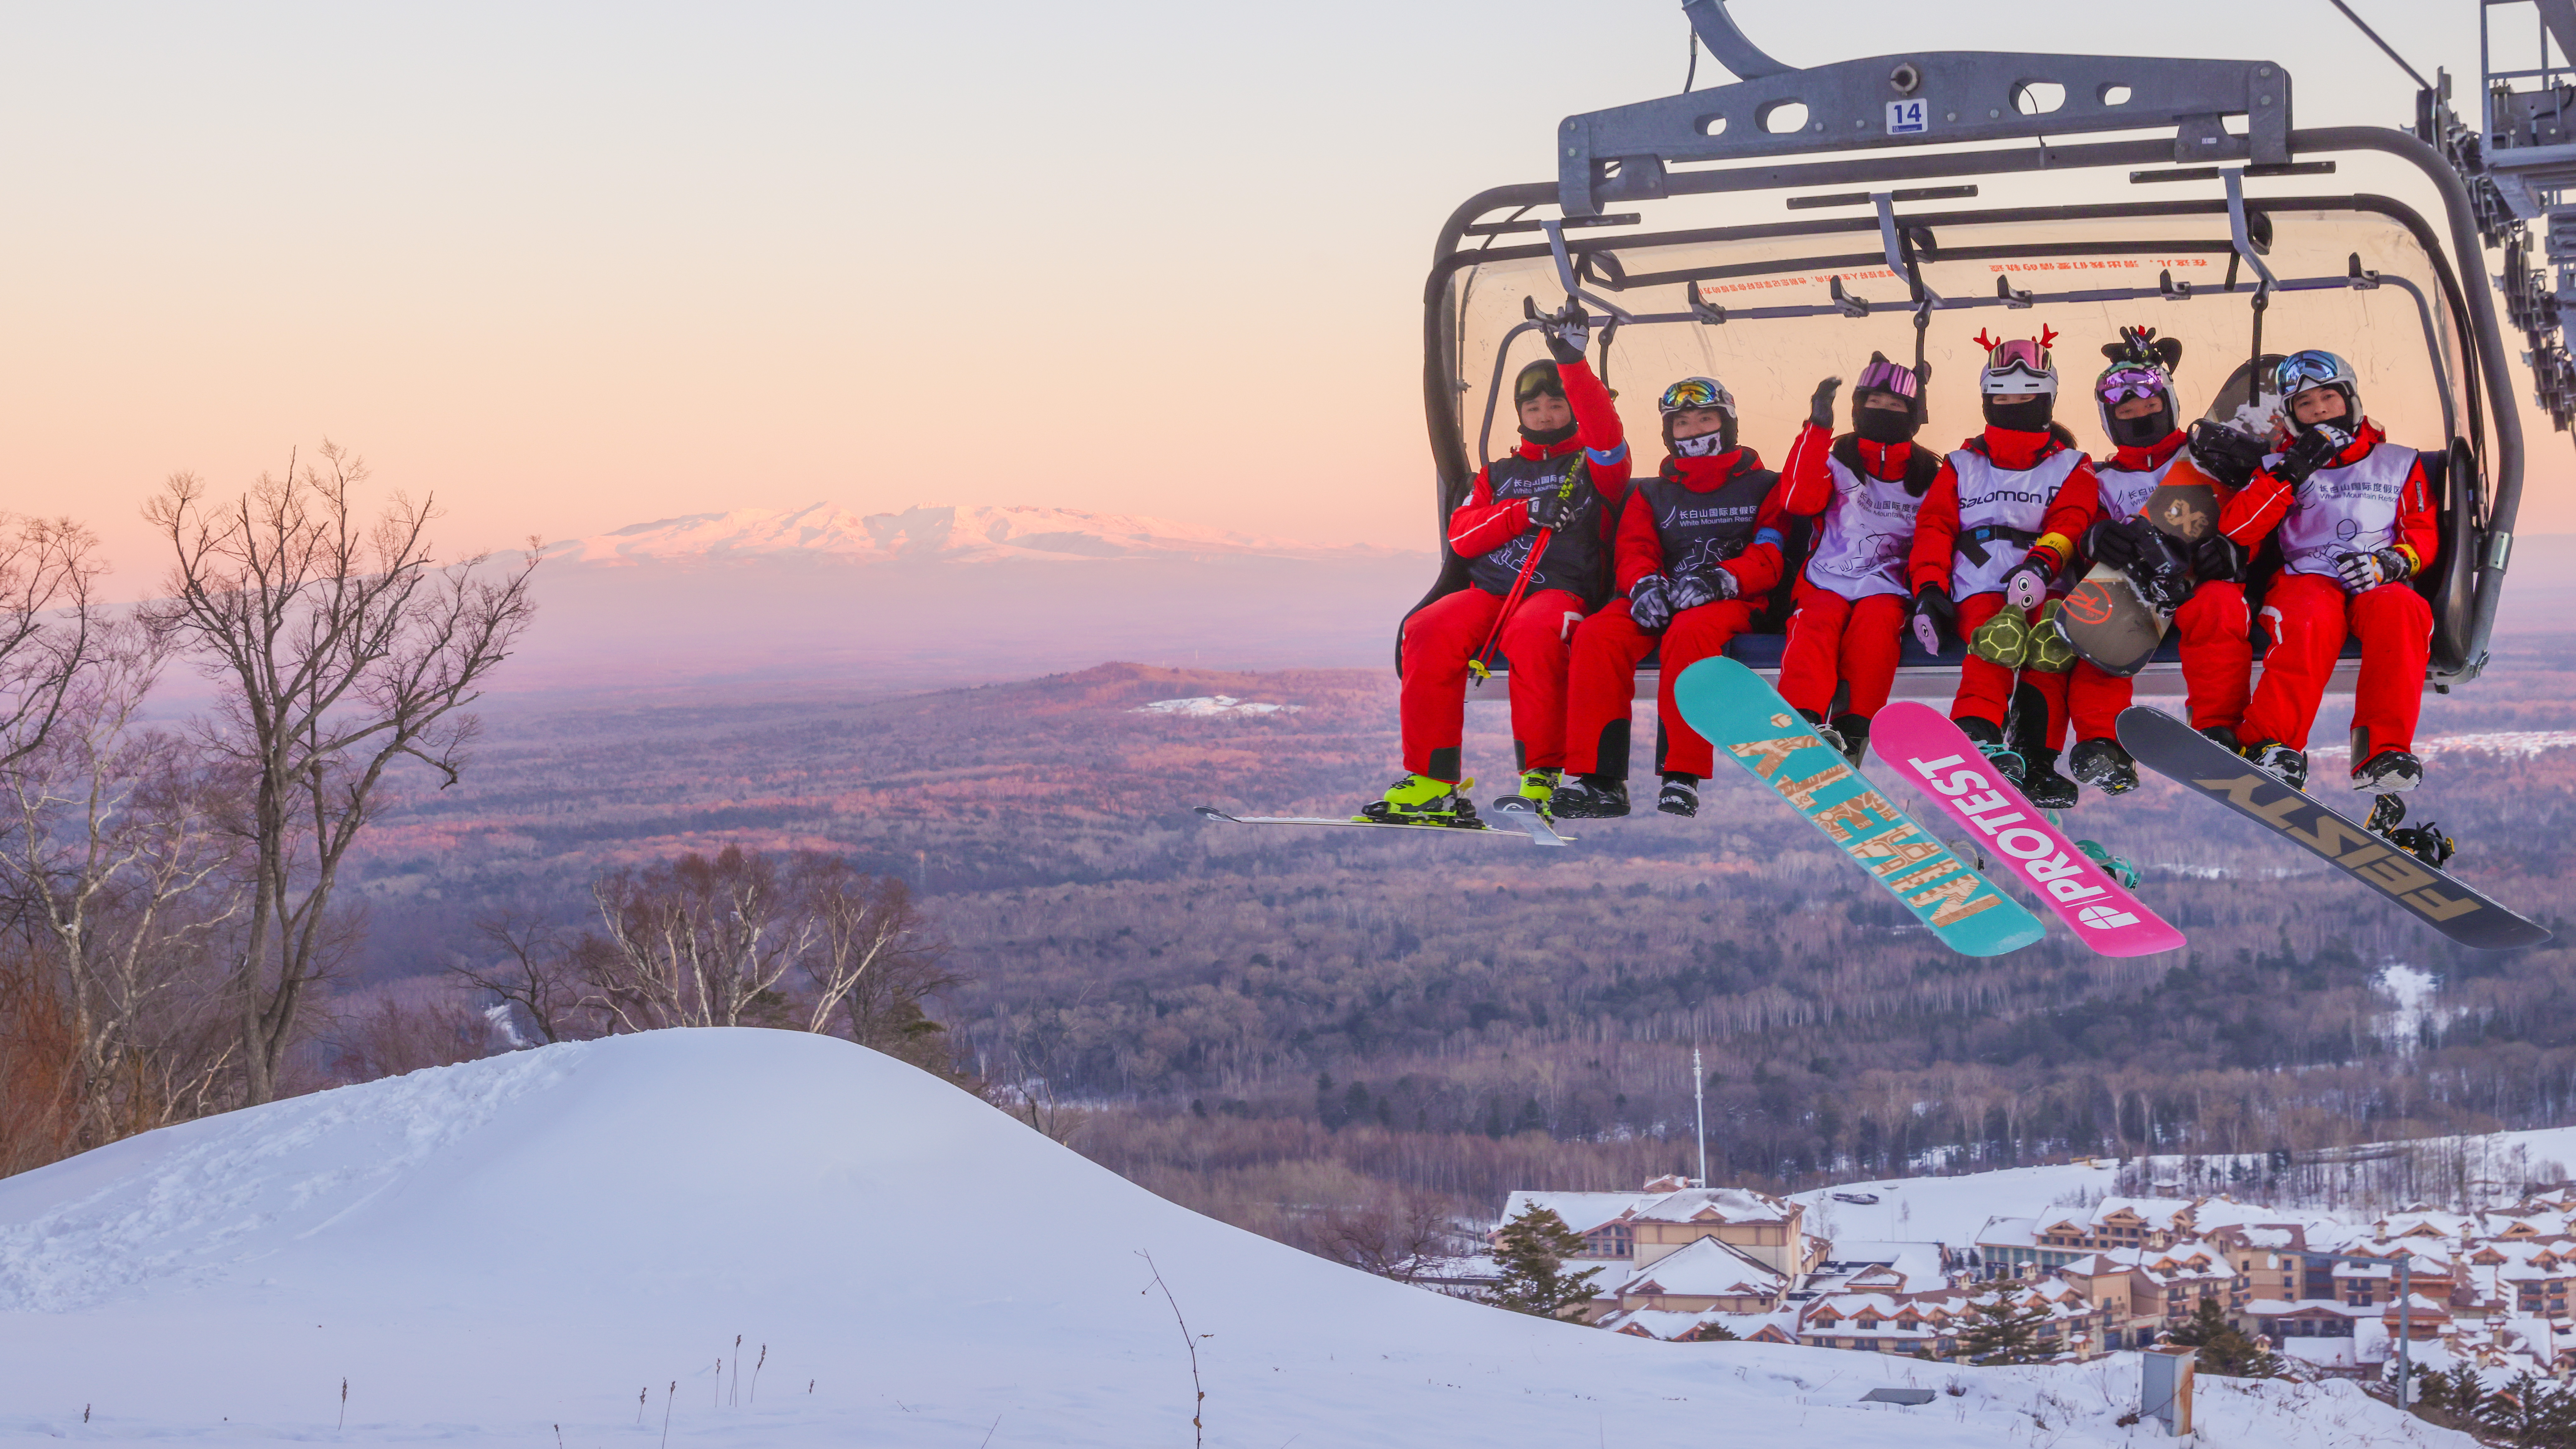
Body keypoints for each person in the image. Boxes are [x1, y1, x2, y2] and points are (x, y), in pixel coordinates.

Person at [1372, 305, 1631, 823]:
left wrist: (1576, 369)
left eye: (1555, 405)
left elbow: (1605, 433)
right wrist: (1522, 513)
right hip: (1493, 592)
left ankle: (1540, 775)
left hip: (1559, 591)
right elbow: (1463, 538)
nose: (1544, 415)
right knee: (1427, 628)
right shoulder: (1497, 475)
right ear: (1520, 415)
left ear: (1572, 410)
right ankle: (1432, 779)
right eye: (1532, 407)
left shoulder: (1597, 467)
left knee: (1534, 635)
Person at [1549, 377, 1785, 818]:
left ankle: (1682, 773)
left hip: (1730, 599)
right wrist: (1643, 585)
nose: (1694, 431)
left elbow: (1770, 554)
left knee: (1690, 633)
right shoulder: (1651, 493)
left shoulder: (1765, 487)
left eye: (1705, 419)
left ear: (1728, 423)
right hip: (1665, 591)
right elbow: (1636, 548)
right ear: (1669, 432)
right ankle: (1599, 780)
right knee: (1599, 634)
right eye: (1682, 423)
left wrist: (1723, 580)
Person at [2216, 349, 2439, 794]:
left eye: (2328, 397)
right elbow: (2238, 529)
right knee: (2308, 619)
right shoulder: (2276, 469)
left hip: (2375, 575)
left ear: (2350, 399)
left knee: (2402, 611)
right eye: (2305, 403)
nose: (2319, 408)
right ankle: (2272, 743)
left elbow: (2422, 530)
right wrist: (2291, 471)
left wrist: (2392, 563)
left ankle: (2383, 750)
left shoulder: (2397, 462)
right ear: (2292, 416)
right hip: (2307, 575)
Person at [1905, 328, 2102, 809]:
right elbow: (1934, 527)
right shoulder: (1961, 464)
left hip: (2049, 582)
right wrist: (1929, 590)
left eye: (2027, 395)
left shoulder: (2072, 465)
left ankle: (2036, 759)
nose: (2015, 404)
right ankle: (1977, 733)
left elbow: (2072, 520)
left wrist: (2042, 562)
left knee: (2050, 658)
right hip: (1980, 578)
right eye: (2004, 395)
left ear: (2048, 399)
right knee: (1994, 644)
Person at [2060, 327, 2259, 796]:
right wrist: (2094, 538)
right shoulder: (2100, 476)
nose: (2139, 417)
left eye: (2149, 408)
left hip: (2198, 579)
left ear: (2168, 405)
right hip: (2134, 587)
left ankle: (2217, 728)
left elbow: (2248, 511)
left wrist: (2235, 551)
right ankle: (2103, 743)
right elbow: (2073, 518)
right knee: (2099, 632)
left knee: (2220, 609)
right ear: (2110, 421)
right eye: (2126, 412)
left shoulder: (2205, 459)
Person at [1772, 352, 1937, 769]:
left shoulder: (1927, 473)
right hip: (1828, 579)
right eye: (1873, 404)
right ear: (1857, 408)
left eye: (1895, 406)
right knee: (1815, 625)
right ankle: (1804, 722)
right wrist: (1817, 430)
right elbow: (1797, 500)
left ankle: (1852, 732)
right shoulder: (1836, 458)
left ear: (1912, 416)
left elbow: (1939, 532)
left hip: (1888, 585)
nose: (1882, 412)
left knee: (1877, 632)